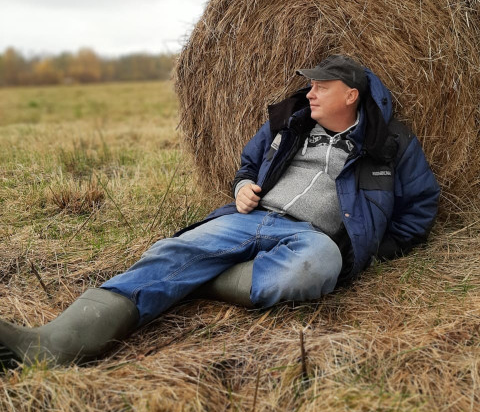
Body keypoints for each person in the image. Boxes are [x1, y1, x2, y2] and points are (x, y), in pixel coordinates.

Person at [0, 55, 440, 369]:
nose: (310, 92)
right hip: (250, 217)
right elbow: (248, 166)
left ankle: (193, 277)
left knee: (315, 267)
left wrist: (370, 247)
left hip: (313, 237)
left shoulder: (391, 144)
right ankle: (54, 342)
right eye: (310, 85)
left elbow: (419, 207)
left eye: (320, 86)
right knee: (170, 252)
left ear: (351, 94)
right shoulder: (289, 123)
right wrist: (242, 187)